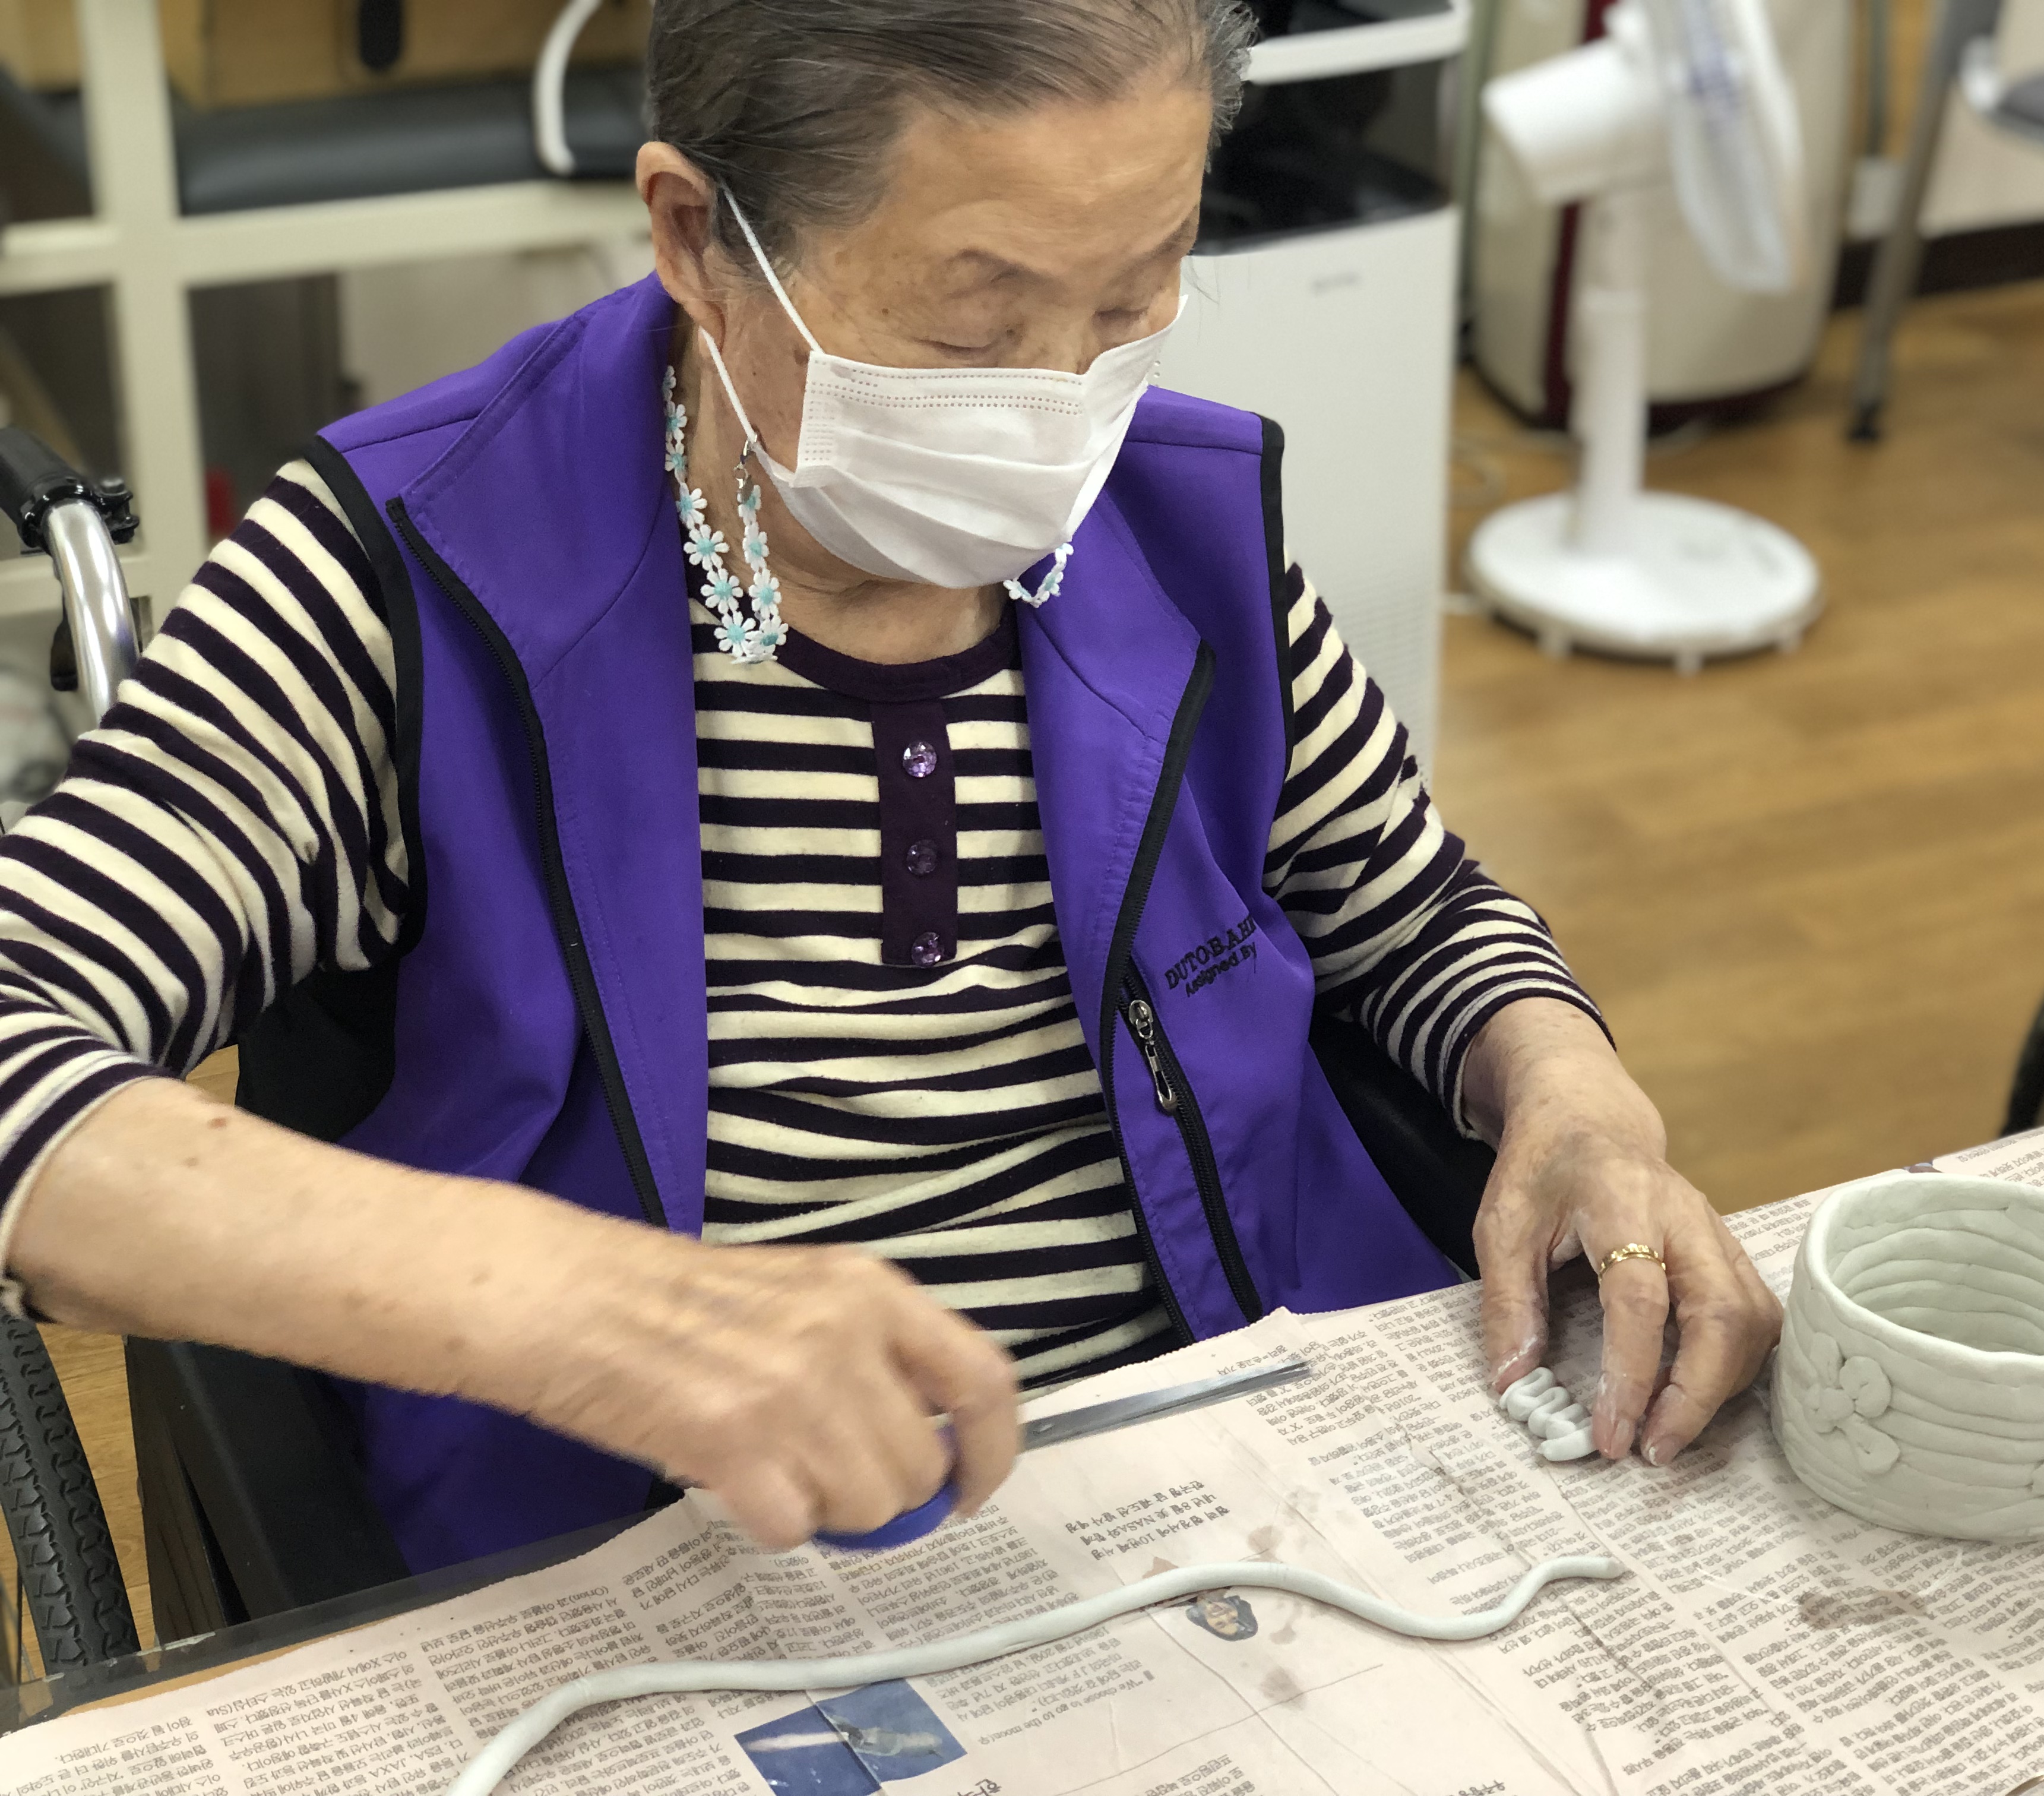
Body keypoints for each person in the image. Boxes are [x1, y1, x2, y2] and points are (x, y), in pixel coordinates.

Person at [0, 0, 1779, 1572]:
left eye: (1137, 292)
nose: (1065, 406)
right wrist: (582, 1310)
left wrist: (1573, 1100)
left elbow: (1413, 911)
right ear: (697, 238)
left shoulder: (1173, 526)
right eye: (970, 325)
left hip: (1224, 1451)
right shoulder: (413, 579)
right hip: (673, 1544)